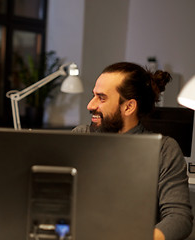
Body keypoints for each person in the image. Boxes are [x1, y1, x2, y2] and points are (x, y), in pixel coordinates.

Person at [73, 62, 193, 240]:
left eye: (102, 98)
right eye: (93, 96)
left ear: (128, 107)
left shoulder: (164, 150)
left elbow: (179, 218)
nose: (91, 105)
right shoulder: (80, 137)